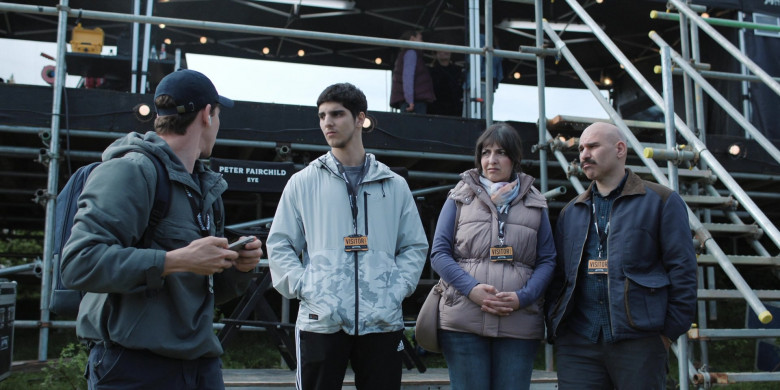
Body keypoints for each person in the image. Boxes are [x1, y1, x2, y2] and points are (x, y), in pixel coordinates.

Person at [61, 69, 263, 390]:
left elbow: (202, 292)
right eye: (218, 114)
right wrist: (175, 261)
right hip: (133, 369)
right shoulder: (130, 171)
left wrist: (238, 268)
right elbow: (78, 264)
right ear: (207, 115)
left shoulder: (206, 188)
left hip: (200, 366)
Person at [267, 82, 429, 390]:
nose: (327, 122)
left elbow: (413, 245)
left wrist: (396, 289)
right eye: (322, 115)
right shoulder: (302, 183)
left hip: (381, 320)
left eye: (337, 114)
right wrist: (307, 287)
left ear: (360, 119)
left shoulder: (394, 185)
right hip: (321, 321)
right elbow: (280, 243)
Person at [545, 122, 698, 389]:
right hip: (578, 344)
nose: (583, 154)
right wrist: (556, 325)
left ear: (619, 149)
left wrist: (666, 334)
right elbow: (559, 277)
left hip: (639, 342)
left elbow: (683, 272)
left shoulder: (661, 201)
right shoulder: (572, 211)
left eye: (592, 146)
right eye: (581, 148)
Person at [430, 122, 556, 390]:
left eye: (500, 152)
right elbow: (439, 254)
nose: (492, 160)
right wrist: (471, 289)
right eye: (486, 153)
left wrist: (523, 297)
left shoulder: (536, 202)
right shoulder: (459, 196)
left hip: (518, 323)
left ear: (515, 158)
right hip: (463, 320)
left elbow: (548, 259)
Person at [390, 30, 436, 114]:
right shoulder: (411, 53)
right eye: (420, 38)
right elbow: (408, 77)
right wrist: (409, 101)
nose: (422, 42)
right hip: (414, 103)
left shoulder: (408, 53)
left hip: (413, 100)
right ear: (412, 39)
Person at [428, 49, 464, 117]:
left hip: (454, 108)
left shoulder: (457, 70)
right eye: (441, 50)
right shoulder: (431, 71)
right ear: (436, 54)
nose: (445, 52)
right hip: (435, 108)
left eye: (447, 49)